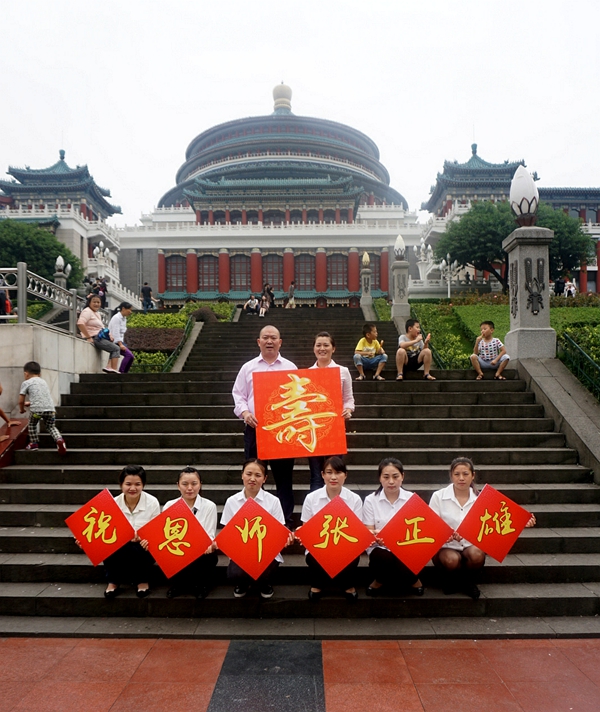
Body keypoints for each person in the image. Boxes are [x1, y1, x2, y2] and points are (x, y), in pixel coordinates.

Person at [429, 457, 536, 599]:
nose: (461, 478)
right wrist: (446, 534)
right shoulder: (438, 496)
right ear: (451, 476)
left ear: (473, 475)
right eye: (457, 474)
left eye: (465, 474)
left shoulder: (482, 499)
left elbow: (504, 516)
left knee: (477, 554)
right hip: (446, 546)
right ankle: (451, 579)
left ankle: (467, 581)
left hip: (470, 544)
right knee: (451, 559)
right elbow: (431, 524)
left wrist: (523, 521)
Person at [232, 325, 297, 528]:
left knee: (284, 477)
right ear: (258, 342)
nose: (269, 341)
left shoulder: (290, 367)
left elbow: (297, 398)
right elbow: (238, 395)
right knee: (254, 475)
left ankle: (284, 521)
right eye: (265, 338)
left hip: (282, 431)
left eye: (273, 338)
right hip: (255, 429)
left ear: (280, 342)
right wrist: (245, 413)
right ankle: (254, 518)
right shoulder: (248, 367)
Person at [220, 458, 293, 599]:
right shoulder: (232, 501)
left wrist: (285, 538)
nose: (252, 479)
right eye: (249, 474)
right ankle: (242, 583)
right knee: (234, 574)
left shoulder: (273, 501)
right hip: (241, 551)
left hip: (266, 551)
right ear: (242, 475)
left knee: (266, 569)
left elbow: (279, 531)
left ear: (264, 479)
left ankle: (264, 583)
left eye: (258, 475)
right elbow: (227, 532)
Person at [298, 456, 362, 601]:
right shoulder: (311, 498)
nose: (333, 477)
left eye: (338, 472)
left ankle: (347, 584)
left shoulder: (354, 499)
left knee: (351, 555)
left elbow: (357, 530)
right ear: (322, 475)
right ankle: (318, 584)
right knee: (314, 556)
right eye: (329, 472)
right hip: (319, 545)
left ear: (345, 475)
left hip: (345, 545)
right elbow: (306, 528)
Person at [363, 458, 424, 597]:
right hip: (381, 546)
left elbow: (419, 528)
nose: (391, 481)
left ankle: (413, 579)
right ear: (380, 478)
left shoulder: (412, 499)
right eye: (386, 477)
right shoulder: (370, 500)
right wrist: (376, 535)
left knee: (409, 554)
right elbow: (368, 530)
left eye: (395, 476)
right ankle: (379, 580)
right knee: (382, 556)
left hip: (405, 544)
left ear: (403, 476)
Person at [98, 465, 160, 599]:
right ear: (121, 485)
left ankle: (142, 580)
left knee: (142, 547)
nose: (133, 488)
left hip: (142, 546)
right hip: (120, 546)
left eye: (137, 484)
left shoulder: (152, 502)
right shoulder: (112, 504)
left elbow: (156, 531)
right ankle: (113, 581)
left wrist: (142, 537)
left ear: (143, 484)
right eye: (128, 484)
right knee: (106, 542)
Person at [307, 332, 354, 491]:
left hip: (334, 429)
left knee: (335, 472)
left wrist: (347, 410)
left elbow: (348, 399)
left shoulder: (343, 371)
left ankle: (335, 510)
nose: (322, 348)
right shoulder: (306, 374)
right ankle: (316, 514)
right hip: (313, 429)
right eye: (318, 345)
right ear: (314, 349)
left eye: (326, 345)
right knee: (315, 474)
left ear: (333, 348)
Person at [163, 466, 218, 599]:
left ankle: (201, 586)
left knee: (208, 555)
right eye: (185, 484)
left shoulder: (209, 506)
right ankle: (177, 585)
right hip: (178, 547)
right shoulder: (169, 506)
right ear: (178, 486)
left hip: (200, 550)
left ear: (200, 485)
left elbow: (209, 534)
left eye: (194, 484)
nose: (189, 488)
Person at [19, 361, 67, 454]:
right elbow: (41, 397)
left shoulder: (26, 382)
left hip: (37, 411)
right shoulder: (43, 381)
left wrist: (22, 409)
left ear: (26, 374)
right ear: (40, 374)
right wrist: (31, 402)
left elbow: (21, 401)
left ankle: (34, 443)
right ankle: (59, 439)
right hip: (50, 410)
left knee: (32, 424)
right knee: (51, 427)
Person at [77, 295, 121, 373]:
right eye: (94, 302)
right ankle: (113, 370)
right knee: (116, 349)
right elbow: (80, 323)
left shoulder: (96, 313)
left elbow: (101, 327)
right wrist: (88, 337)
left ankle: (109, 367)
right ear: (89, 302)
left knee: (114, 347)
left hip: (100, 337)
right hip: (96, 338)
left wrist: (110, 335)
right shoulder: (87, 311)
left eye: (98, 302)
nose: (96, 304)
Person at [108, 302, 135, 374]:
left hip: (120, 342)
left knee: (131, 357)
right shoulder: (116, 318)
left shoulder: (124, 318)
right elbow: (115, 332)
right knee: (129, 356)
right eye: (129, 309)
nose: (130, 312)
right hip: (115, 342)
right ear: (123, 308)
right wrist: (120, 344)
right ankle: (122, 372)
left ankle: (125, 372)